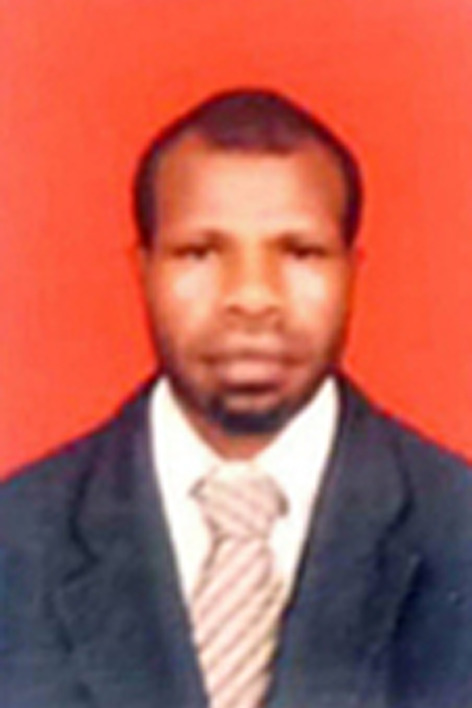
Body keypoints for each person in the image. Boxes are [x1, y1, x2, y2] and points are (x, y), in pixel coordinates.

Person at [1, 88, 472, 708]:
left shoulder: (459, 529)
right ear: (143, 270)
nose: (252, 296)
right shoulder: (15, 539)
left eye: (300, 252)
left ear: (351, 270)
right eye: (200, 252)